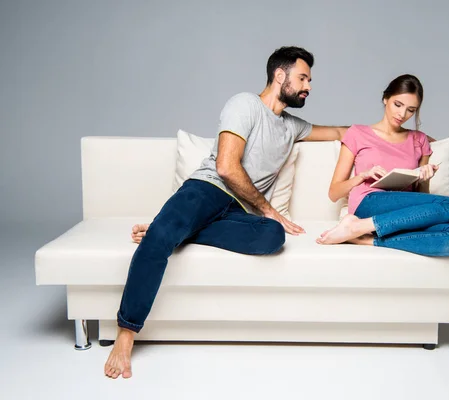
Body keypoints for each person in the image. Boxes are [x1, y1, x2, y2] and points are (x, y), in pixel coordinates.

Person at [104, 46, 349, 379]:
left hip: (238, 210)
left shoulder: (292, 127)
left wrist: (409, 136)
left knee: (272, 235)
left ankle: (176, 229)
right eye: (303, 77)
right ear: (280, 75)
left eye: (309, 80)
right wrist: (268, 208)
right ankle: (126, 333)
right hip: (207, 190)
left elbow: (339, 132)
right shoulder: (244, 104)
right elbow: (226, 167)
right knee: (163, 237)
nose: (308, 86)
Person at [316, 74, 449, 256]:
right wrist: (362, 176)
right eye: (398, 105)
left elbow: (421, 199)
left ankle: (365, 238)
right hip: (369, 201)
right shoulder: (357, 133)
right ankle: (360, 224)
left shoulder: (419, 139)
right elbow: (334, 193)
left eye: (410, 110)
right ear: (385, 98)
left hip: (401, 214)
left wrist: (424, 176)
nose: (402, 114)